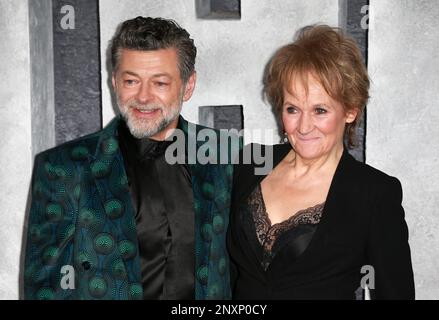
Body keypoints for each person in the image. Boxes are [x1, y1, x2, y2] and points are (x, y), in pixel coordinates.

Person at [24, 16, 238, 300]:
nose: (143, 97)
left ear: (188, 85)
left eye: (160, 83)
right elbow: (45, 288)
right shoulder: (64, 168)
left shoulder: (224, 155)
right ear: (114, 82)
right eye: (131, 81)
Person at [227, 25, 415, 299]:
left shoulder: (374, 193)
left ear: (350, 110)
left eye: (320, 110)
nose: (304, 126)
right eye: (292, 109)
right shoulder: (253, 162)